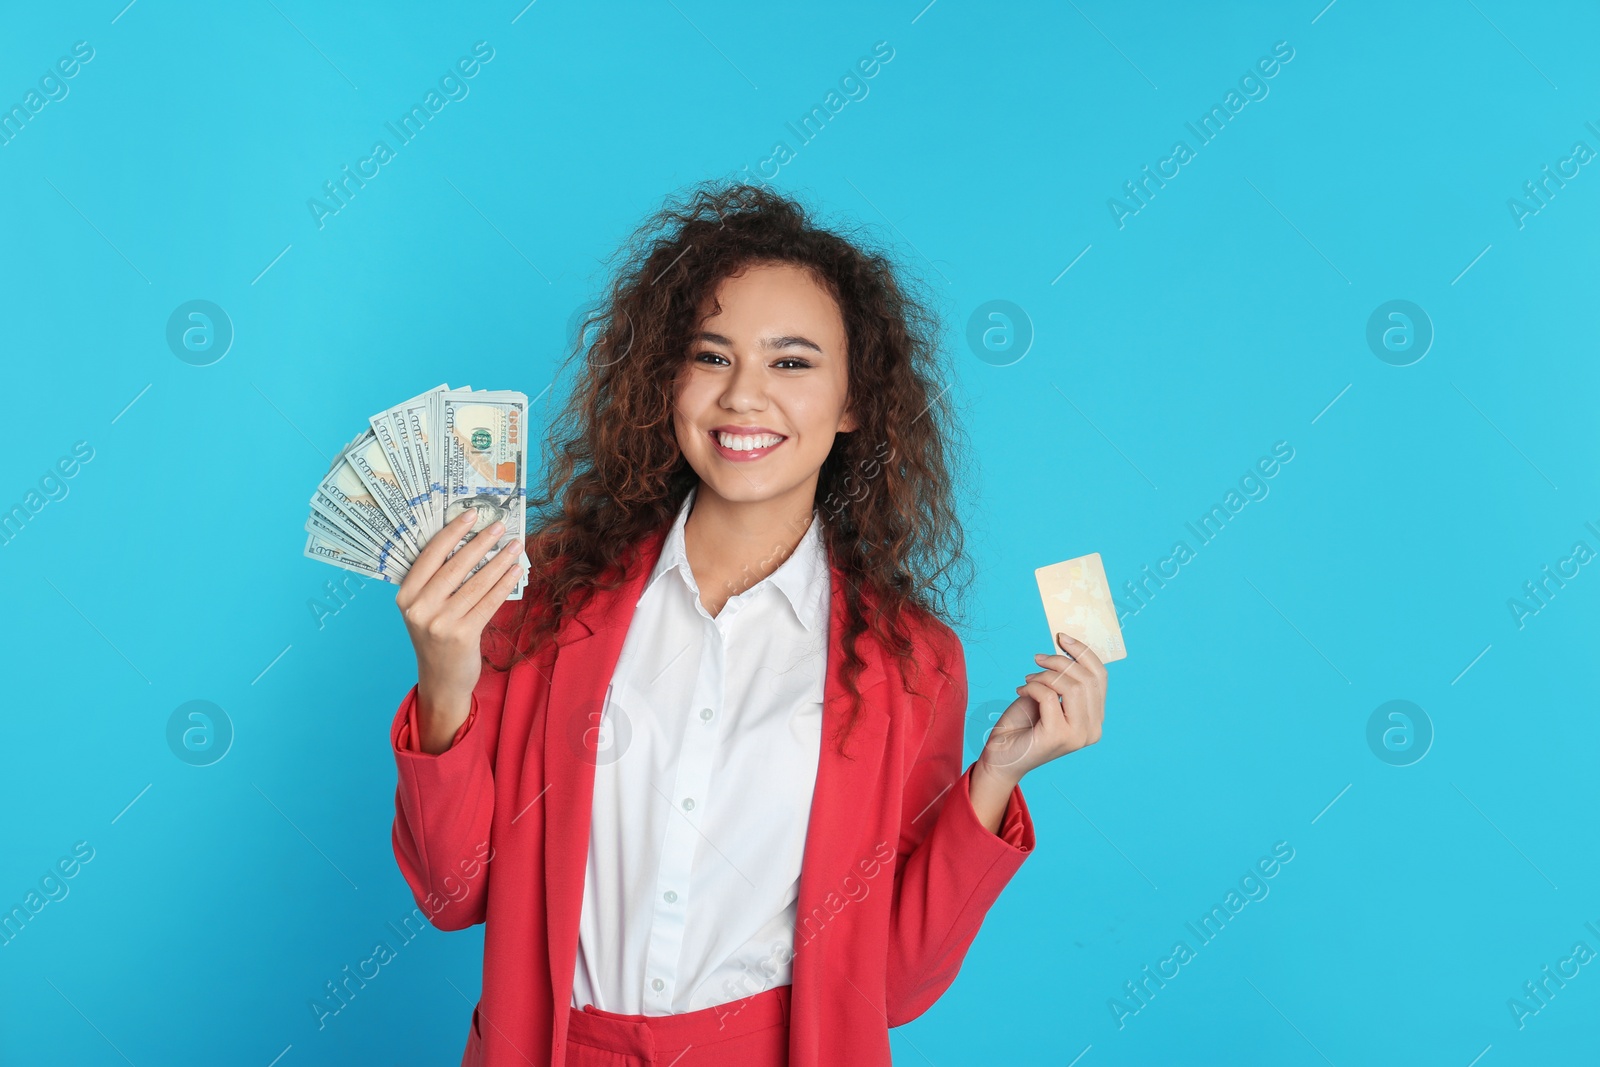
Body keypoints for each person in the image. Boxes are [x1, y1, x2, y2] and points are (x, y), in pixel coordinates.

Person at [387, 183, 1109, 1067]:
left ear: (854, 402)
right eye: (711, 356)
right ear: (668, 380)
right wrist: (445, 678)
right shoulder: (542, 605)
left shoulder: (911, 661)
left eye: (793, 362)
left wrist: (997, 773)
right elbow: (452, 894)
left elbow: (889, 985)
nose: (745, 397)